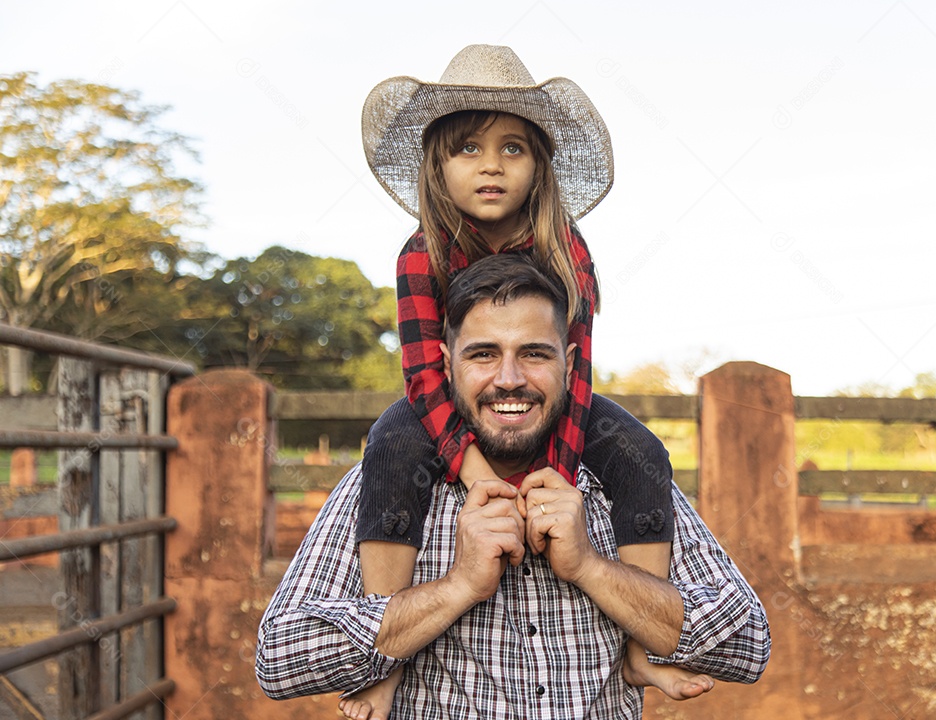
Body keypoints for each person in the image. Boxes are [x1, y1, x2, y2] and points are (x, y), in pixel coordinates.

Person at [256, 254, 771, 719]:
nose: (507, 379)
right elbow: (279, 660)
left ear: (570, 364)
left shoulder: (621, 477)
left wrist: (593, 569)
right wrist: (456, 587)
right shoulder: (391, 476)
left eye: (534, 354)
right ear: (444, 364)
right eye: (482, 354)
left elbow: (749, 646)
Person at [347, 44, 686, 718]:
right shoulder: (422, 254)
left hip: (554, 410)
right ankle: (381, 651)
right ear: (438, 167)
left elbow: (576, 371)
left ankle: (644, 642)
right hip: (452, 410)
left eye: (513, 149)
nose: (492, 165)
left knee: (641, 449)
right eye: (468, 148)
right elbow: (423, 374)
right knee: (389, 444)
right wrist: (477, 475)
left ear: (539, 168)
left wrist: (553, 476)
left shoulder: (567, 248)